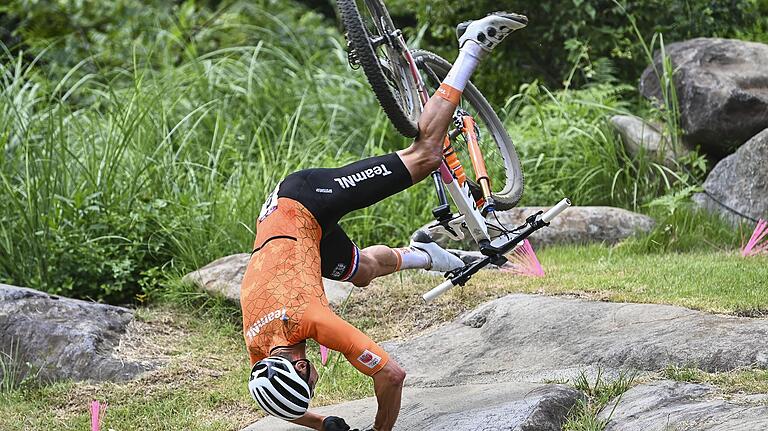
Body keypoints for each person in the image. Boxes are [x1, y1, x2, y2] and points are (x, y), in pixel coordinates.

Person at [241, 11, 528, 431]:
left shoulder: (310, 321)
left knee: (427, 154)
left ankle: (472, 45)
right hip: (292, 235)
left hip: (304, 200)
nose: (316, 386)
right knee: (361, 272)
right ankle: (428, 255)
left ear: (302, 369)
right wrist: (323, 424)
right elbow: (275, 400)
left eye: (311, 386)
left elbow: (392, 375)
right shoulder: (259, 350)